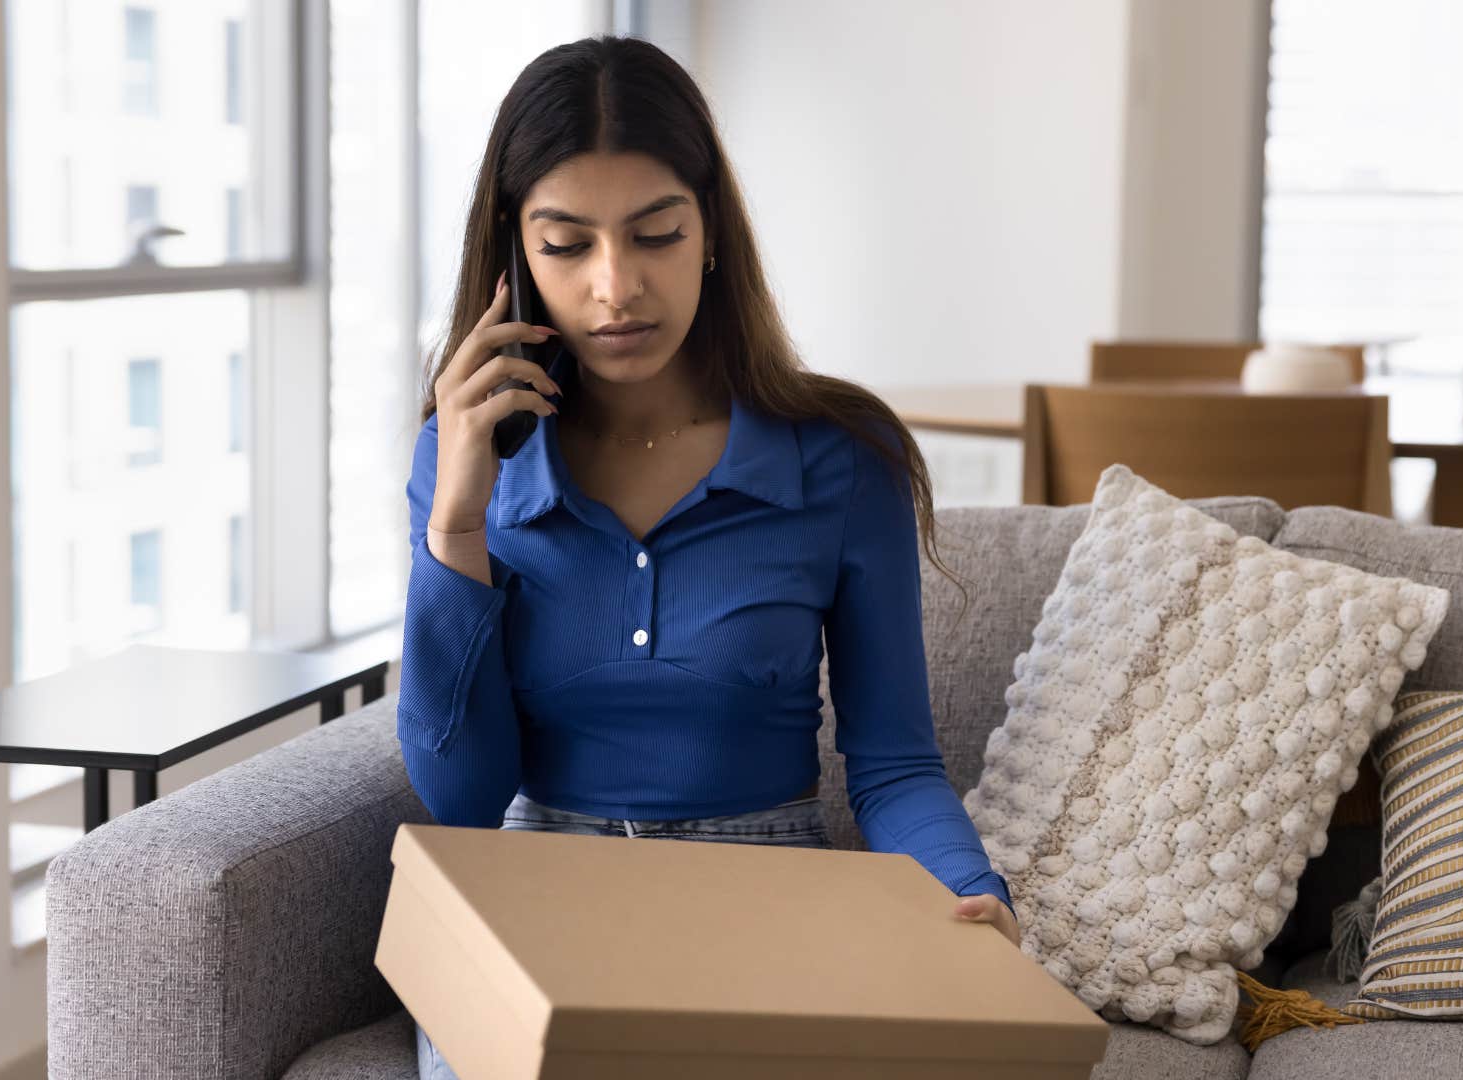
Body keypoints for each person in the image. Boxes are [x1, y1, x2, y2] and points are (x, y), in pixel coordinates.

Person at [399, 34, 1017, 1079]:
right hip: (534, 901)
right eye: (566, 246)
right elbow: (459, 800)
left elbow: (896, 762)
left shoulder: (841, 459)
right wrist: (457, 522)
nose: (614, 287)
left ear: (712, 231)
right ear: (513, 259)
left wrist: (970, 890)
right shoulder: (459, 464)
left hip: (766, 896)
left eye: (655, 234)